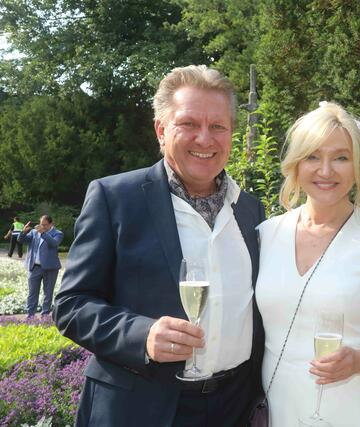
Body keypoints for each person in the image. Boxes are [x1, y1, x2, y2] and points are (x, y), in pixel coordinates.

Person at [53, 65, 265, 426]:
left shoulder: (250, 209)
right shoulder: (115, 198)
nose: (205, 139)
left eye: (217, 126)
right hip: (140, 408)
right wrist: (142, 335)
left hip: (234, 407)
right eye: (189, 124)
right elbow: (71, 305)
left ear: (231, 133)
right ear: (161, 130)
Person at [255, 101, 360, 426]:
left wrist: (359, 361)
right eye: (312, 156)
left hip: (359, 414)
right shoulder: (266, 236)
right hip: (282, 414)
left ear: (358, 166)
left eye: (341, 158)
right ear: (296, 163)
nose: (325, 171)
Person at [18, 215, 63, 317]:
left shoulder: (58, 233)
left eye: (45, 225)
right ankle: (30, 316)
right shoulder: (34, 232)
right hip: (34, 267)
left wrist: (43, 233)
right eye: (41, 224)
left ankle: (45, 316)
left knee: (48, 293)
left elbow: (54, 243)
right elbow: (21, 240)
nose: (42, 226)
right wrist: (23, 232)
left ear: (51, 224)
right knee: (32, 293)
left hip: (50, 268)